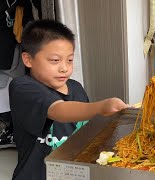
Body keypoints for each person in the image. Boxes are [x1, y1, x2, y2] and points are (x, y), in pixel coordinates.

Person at [9, 20, 128, 180]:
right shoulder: (22, 87)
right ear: (28, 60)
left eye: (70, 60)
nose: (64, 68)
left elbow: (87, 131)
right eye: (55, 60)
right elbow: (58, 110)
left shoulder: (76, 88)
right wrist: (101, 107)